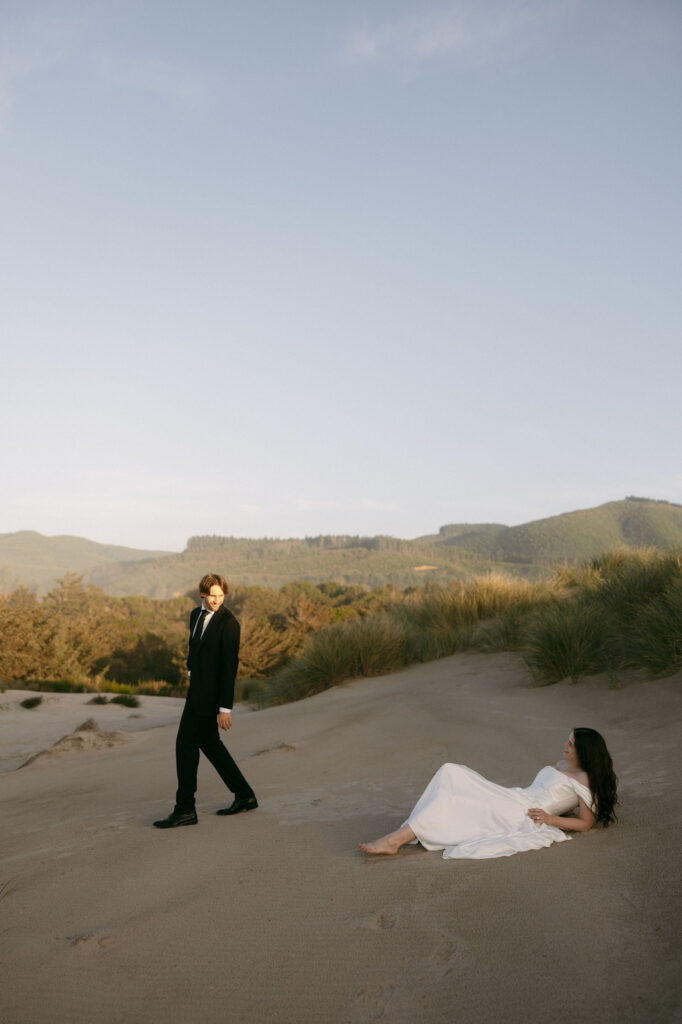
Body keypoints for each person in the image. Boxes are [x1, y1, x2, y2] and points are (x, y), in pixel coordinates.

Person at [359, 728, 617, 859]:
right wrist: (563, 807)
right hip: (515, 797)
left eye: (571, 744)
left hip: (523, 813)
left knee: (454, 800)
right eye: (568, 740)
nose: (565, 745)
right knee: (450, 771)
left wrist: (551, 819)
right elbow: (562, 796)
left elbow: (586, 822)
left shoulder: (585, 779)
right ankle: (409, 830)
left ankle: (394, 841)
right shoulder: (565, 766)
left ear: (584, 752)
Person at [154, 573, 257, 828]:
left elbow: (228, 668)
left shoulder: (229, 624)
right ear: (203, 594)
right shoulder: (195, 615)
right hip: (196, 690)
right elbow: (194, 648)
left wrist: (225, 708)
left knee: (184, 745)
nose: (217, 600)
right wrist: (191, 670)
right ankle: (245, 795)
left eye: (221, 596)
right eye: (212, 595)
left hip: (210, 697)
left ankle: (185, 809)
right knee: (210, 745)